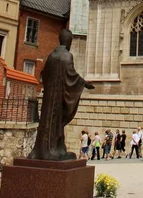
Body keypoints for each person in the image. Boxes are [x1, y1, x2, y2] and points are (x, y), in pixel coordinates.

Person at [28, 29, 94, 161]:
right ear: (69, 41)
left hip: (48, 98)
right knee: (57, 122)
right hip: (58, 98)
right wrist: (84, 83)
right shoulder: (67, 56)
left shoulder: (51, 55)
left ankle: (43, 149)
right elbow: (72, 74)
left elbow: (44, 74)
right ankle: (53, 150)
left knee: (46, 121)